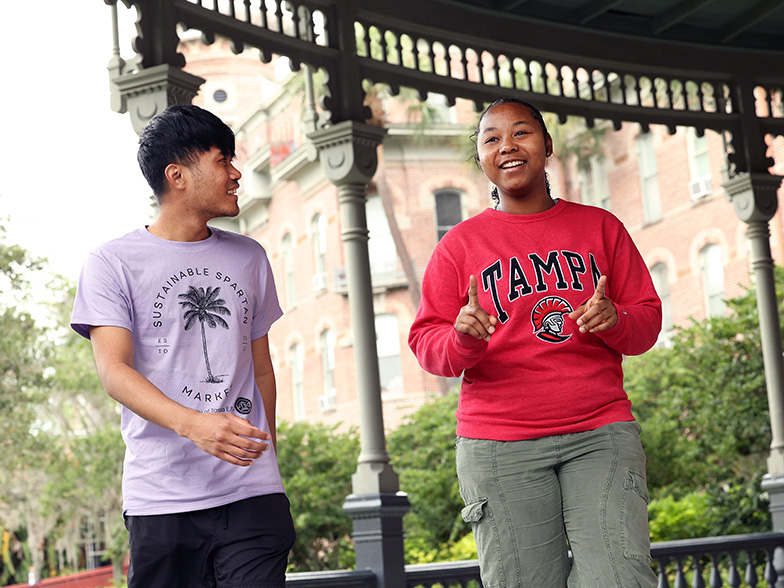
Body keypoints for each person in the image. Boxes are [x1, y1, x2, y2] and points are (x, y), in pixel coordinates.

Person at [408, 97, 661, 588]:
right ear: (481, 159)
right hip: (500, 445)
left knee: (620, 578)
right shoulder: (459, 245)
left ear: (546, 145)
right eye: (491, 138)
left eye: (521, 133)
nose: (507, 146)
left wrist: (614, 319)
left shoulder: (600, 227)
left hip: (599, 433)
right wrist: (463, 339)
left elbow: (646, 323)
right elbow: (426, 342)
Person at [71, 104, 295, 588]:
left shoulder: (249, 257)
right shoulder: (111, 263)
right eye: (222, 160)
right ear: (177, 176)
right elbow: (114, 373)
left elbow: (261, 371)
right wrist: (195, 426)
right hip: (163, 500)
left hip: (252, 497)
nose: (236, 174)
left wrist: (268, 460)